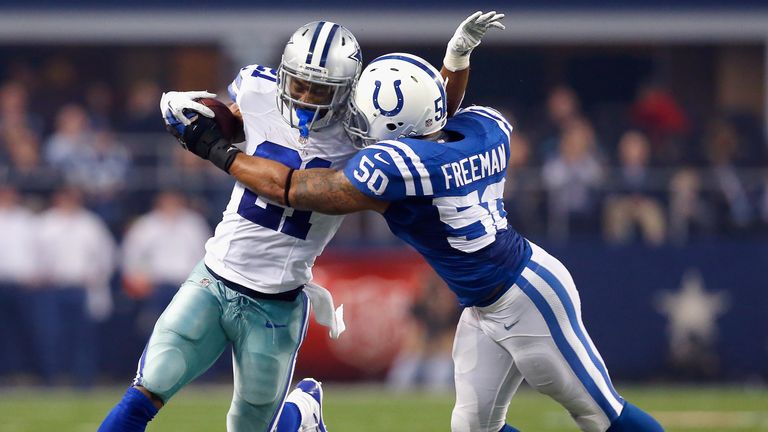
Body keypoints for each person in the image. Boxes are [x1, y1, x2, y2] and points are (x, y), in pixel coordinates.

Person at [176, 50, 665, 432]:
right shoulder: (481, 127)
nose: (357, 128)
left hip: (528, 297)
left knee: (600, 415)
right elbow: (437, 113)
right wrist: (455, 64)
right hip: (487, 303)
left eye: (367, 120)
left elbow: (297, 190)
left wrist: (218, 152)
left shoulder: (395, 168)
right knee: (474, 427)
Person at [98, 11, 504, 432]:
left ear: (347, 91)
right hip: (214, 279)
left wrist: (455, 59)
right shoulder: (258, 90)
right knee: (147, 388)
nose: (306, 96)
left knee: (249, 426)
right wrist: (189, 112)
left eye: (320, 88)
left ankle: (301, 412)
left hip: (277, 302)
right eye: (299, 83)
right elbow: (232, 122)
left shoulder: (362, 134)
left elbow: (429, 116)